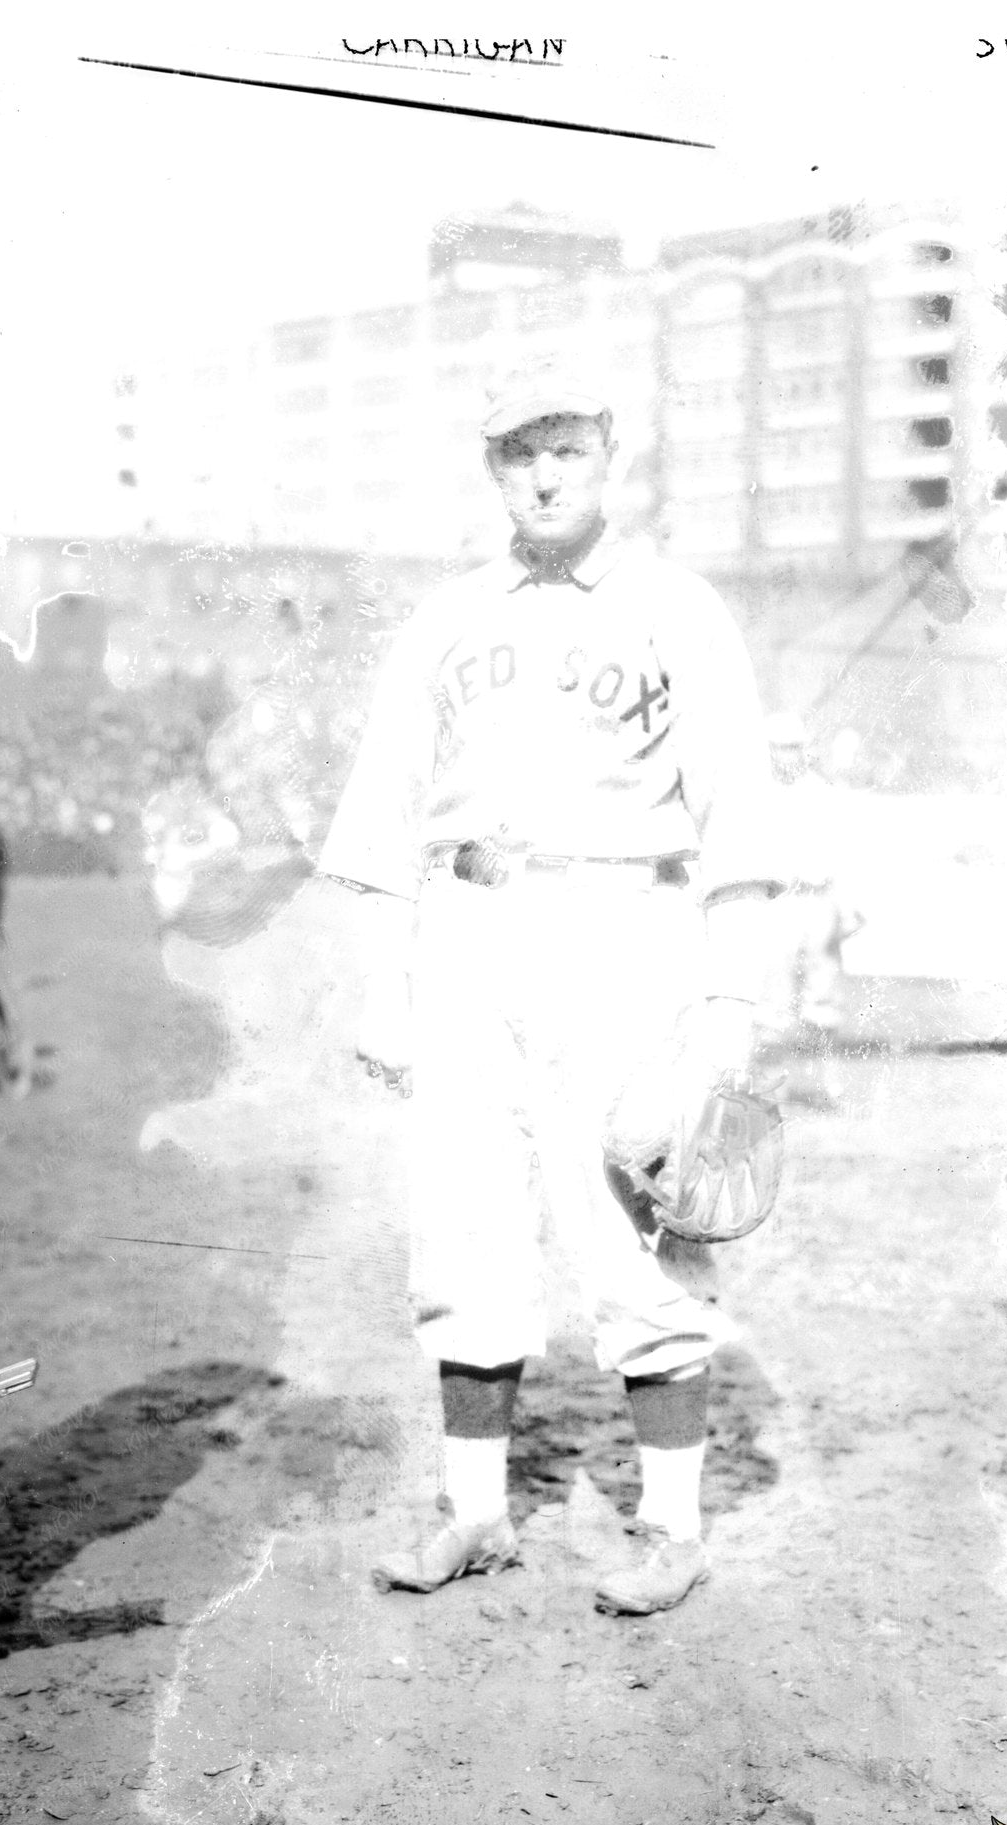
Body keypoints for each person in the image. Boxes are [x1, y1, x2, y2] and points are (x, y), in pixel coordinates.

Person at [319, 363, 783, 1616]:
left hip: (622, 925)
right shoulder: (448, 616)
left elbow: (740, 815)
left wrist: (729, 1006)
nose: (543, 473)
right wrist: (385, 987)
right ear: (492, 468)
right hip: (470, 925)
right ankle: (476, 1512)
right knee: (461, 1218)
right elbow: (383, 813)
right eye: (519, 451)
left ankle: (672, 1526)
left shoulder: (677, 606)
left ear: (608, 453)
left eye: (566, 447)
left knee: (636, 1220)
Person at [756, 711, 864, 1111]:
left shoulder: (822, 794)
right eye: (779, 748)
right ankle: (771, 1091)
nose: (787, 756)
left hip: (818, 903)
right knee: (772, 1003)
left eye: (794, 747)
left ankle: (829, 1087)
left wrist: (847, 909)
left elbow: (844, 856)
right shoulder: (756, 796)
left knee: (823, 999)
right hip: (777, 904)